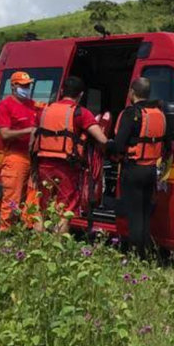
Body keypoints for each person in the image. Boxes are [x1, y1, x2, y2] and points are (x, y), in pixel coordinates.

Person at [32, 76, 108, 234]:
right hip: (66, 166)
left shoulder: (44, 110)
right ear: (80, 95)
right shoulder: (81, 112)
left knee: (42, 207)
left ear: (61, 91)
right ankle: (57, 249)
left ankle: (37, 245)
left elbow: (33, 139)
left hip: (43, 164)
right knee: (65, 210)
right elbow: (101, 139)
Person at [109, 77, 167, 257]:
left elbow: (119, 145)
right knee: (144, 213)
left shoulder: (131, 114)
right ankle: (145, 253)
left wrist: (106, 145)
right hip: (151, 171)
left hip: (133, 169)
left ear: (132, 92)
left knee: (134, 215)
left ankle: (136, 255)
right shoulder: (159, 114)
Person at [0, 71, 39, 231]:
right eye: (24, 85)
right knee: (12, 200)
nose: (27, 88)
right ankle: (5, 234)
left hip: (32, 158)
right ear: (13, 86)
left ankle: (25, 233)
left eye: (28, 85)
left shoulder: (32, 105)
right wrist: (28, 131)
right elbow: (4, 133)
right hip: (15, 158)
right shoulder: (5, 106)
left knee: (32, 200)